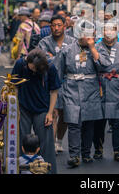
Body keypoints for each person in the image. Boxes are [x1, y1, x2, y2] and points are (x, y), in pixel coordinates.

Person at [54, 20, 104, 168]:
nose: (85, 37)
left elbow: (103, 67)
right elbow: (58, 72)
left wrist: (92, 48)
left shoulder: (98, 49)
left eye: (88, 34)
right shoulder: (67, 50)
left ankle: (86, 153)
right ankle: (74, 156)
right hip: (71, 89)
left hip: (91, 90)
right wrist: (58, 94)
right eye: (82, 34)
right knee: (73, 123)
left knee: (89, 123)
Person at [11, 49, 61, 174]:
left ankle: (49, 171)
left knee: (46, 145)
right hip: (23, 107)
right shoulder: (20, 64)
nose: (32, 70)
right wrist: (15, 109)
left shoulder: (50, 67)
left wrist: (50, 113)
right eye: (31, 67)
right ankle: (21, 170)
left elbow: (54, 92)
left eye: (35, 69)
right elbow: (14, 87)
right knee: (22, 141)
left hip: (42, 109)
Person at [37, 14, 77, 153]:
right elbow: (43, 61)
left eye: (59, 25)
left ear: (64, 26)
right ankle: (51, 143)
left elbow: (73, 61)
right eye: (53, 25)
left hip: (69, 83)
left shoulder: (73, 41)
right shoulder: (44, 42)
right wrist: (58, 59)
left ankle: (59, 141)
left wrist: (54, 57)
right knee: (53, 113)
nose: (56, 28)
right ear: (50, 27)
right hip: (50, 83)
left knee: (65, 114)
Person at [93, 19, 119, 162]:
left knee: (118, 122)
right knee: (99, 122)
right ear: (102, 32)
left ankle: (117, 151)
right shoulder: (95, 47)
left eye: (112, 29)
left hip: (118, 87)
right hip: (100, 87)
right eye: (106, 30)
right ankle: (98, 149)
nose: (109, 33)